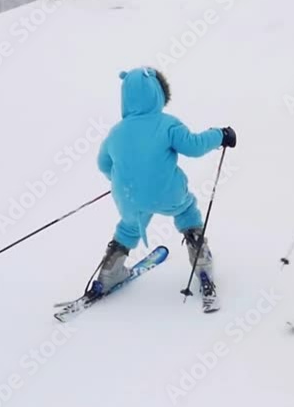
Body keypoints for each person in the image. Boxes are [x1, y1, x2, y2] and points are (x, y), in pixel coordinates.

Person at [94, 67, 236, 312]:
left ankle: (109, 272)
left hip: (128, 196)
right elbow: (194, 146)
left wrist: (121, 178)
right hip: (168, 193)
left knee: (129, 225)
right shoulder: (168, 124)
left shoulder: (116, 132)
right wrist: (220, 135)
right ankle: (201, 263)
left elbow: (103, 164)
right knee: (187, 211)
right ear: (158, 93)